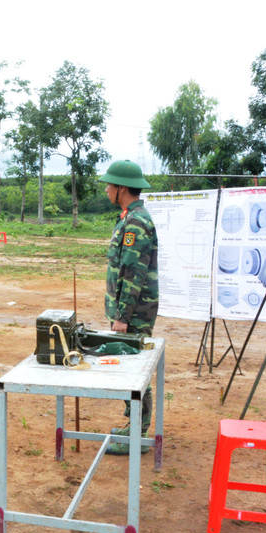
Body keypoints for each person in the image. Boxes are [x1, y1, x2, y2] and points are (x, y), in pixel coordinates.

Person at [99, 160, 159, 455]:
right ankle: (133, 427)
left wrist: (122, 317)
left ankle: (137, 436)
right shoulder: (128, 217)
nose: (107, 189)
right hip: (129, 311)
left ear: (122, 188)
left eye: (110, 185)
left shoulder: (136, 222)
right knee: (129, 370)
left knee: (135, 373)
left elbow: (133, 273)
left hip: (133, 313)